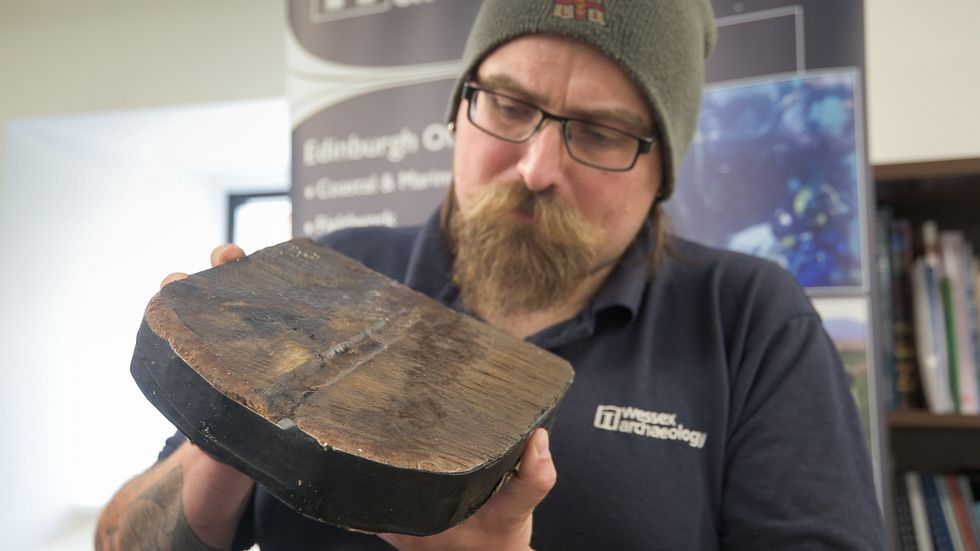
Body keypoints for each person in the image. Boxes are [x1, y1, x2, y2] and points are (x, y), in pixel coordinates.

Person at [95, 1, 885, 549]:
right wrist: (227, 436)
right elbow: (119, 536)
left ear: (662, 170)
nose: (537, 167)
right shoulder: (339, 271)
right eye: (508, 106)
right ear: (458, 107)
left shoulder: (746, 319)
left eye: (602, 133)